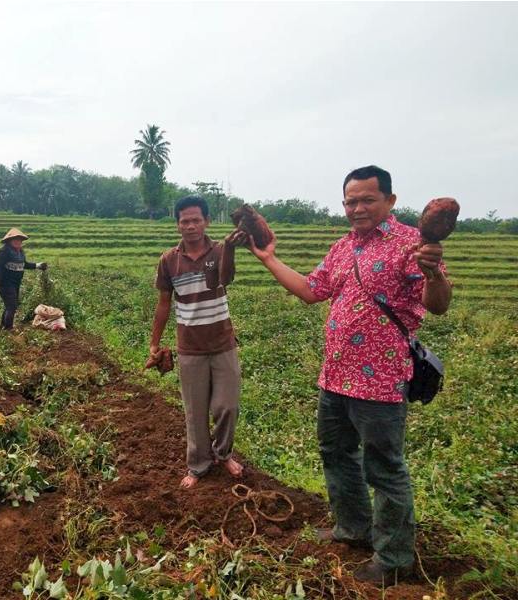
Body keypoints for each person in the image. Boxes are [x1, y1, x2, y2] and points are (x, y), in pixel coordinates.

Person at [244, 165, 452, 585]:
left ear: (390, 201)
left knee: (385, 468)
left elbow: (439, 304)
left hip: (379, 381)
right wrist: (268, 259)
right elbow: (310, 290)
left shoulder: (413, 243)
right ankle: (352, 529)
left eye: (367, 200)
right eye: (350, 201)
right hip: (335, 376)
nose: (357, 208)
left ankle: (393, 559)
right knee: (336, 454)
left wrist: (432, 272)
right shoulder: (342, 248)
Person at [149, 195, 247, 489]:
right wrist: (154, 342)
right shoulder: (169, 260)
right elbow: (164, 303)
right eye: (184, 221)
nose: (190, 226)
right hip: (189, 348)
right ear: (178, 224)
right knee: (194, 410)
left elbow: (225, 279)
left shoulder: (219, 251)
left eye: (196, 220)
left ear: (206, 221)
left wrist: (229, 247)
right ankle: (198, 464)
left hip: (222, 343)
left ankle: (223, 454)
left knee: (227, 406)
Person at [0, 228, 47, 330]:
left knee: (10, 305)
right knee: (12, 306)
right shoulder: (5, 251)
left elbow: (24, 264)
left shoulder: (20, 251)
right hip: (5, 283)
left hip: (15, 283)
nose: (18, 241)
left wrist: (38, 265)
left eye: (19, 240)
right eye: (15, 239)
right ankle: (8, 328)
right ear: (9, 241)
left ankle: (3, 325)